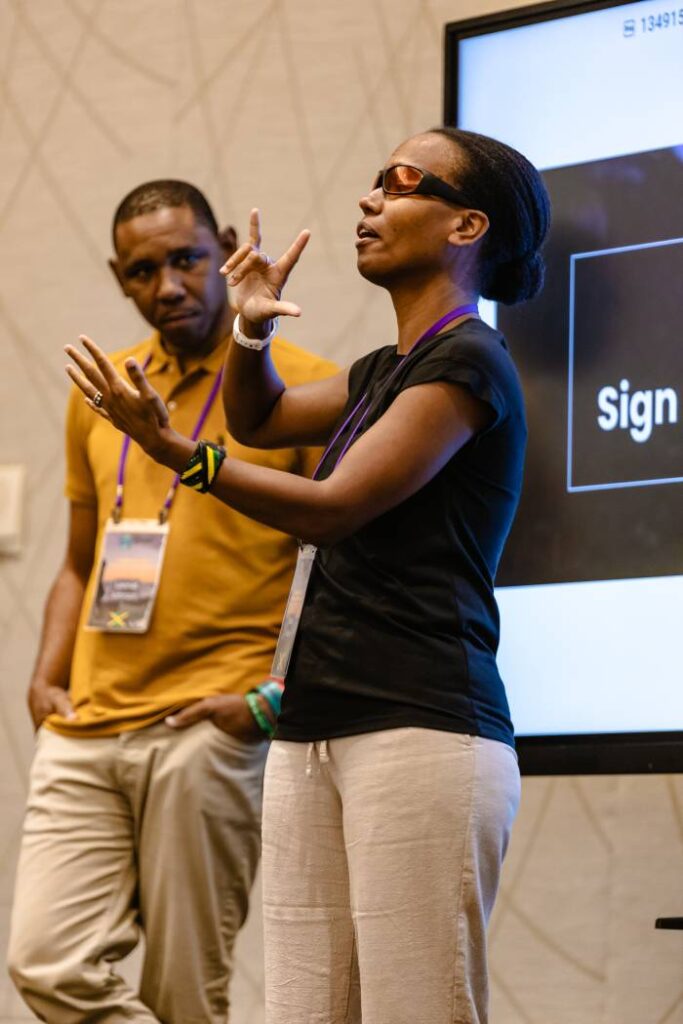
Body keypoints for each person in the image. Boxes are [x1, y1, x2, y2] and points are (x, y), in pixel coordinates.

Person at [62, 128, 551, 1024]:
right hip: (313, 726)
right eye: (373, 181)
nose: (369, 199)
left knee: (415, 1009)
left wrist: (181, 455)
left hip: (421, 726)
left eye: (400, 182)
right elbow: (262, 420)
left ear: (466, 225)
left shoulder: (469, 361)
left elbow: (332, 506)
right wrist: (249, 327)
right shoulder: (383, 371)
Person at [8, 180, 336, 1024]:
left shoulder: (304, 390)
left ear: (223, 248)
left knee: (186, 994)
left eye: (186, 259)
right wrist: (46, 680)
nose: (168, 287)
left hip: (206, 725)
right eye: (142, 271)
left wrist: (267, 702)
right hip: (87, 724)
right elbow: (79, 560)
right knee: (45, 963)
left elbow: (339, 566)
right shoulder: (104, 391)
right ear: (119, 278)